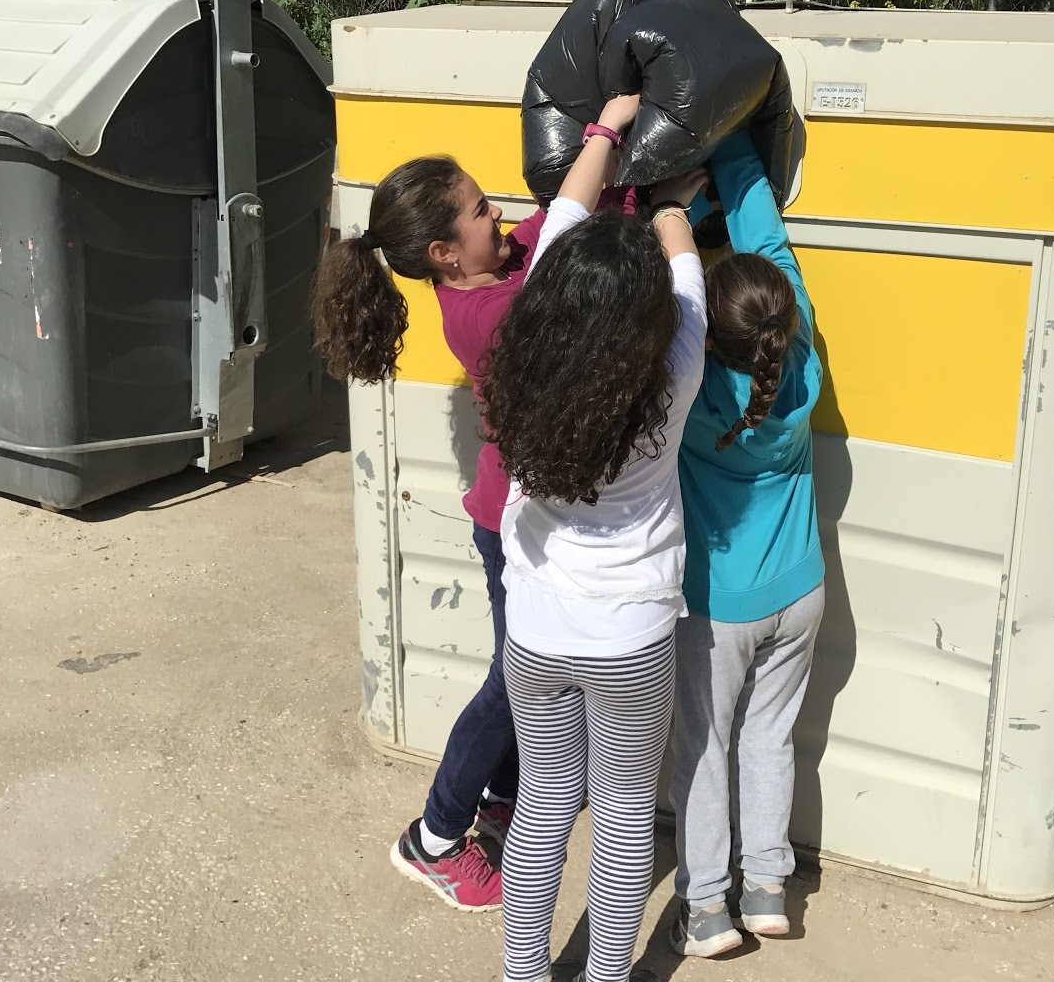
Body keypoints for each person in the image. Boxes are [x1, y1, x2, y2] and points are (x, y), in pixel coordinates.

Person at [308, 120, 637, 913]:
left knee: (521, 674)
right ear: (446, 255)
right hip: (510, 526)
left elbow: (557, 216)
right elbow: (565, 232)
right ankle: (432, 837)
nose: (498, 214)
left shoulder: (508, 262)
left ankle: (500, 801)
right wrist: (606, 130)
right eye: (479, 211)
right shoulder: (487, 314)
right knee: (511, 682)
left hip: (522, 513)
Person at [480, 97, 710, 982]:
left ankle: (523, 973)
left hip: (535, 626)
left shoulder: (525, 339)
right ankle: (606, 975)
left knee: (543, 802)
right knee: (619, 816)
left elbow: (569, 215)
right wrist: (671, 204)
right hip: (630, 634)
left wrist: (606, 129)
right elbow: (685, 267)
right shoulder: (679, 362)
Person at [665, 131, 825, 957]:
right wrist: (734, 145)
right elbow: (767, 236)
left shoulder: (688, 379)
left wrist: (676, 208)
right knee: (769, 738)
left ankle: (707, 912)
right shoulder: (800, 357)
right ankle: (767, 890)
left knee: (705, 747)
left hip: (718, 602)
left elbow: (657, 284)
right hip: (801, 591)